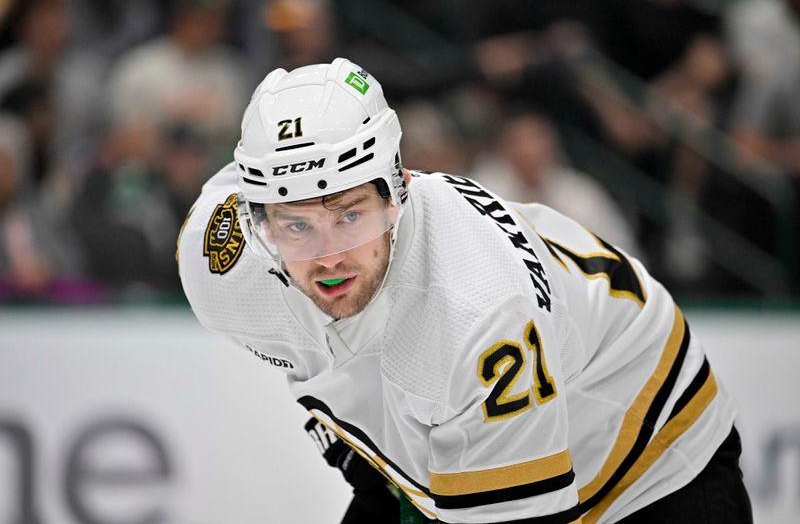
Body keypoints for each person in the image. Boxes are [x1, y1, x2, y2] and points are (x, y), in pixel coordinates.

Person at [178, 58, 752, 523]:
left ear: (398, 190)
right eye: (296, 225)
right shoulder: (221, 267)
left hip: (652, 463)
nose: (328, 258)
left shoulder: (478, 313)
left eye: (351, 216)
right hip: (466, 421)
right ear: (257, 221)